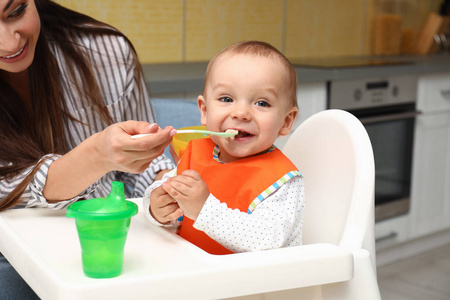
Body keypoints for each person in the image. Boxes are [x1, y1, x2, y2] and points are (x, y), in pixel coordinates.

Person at [0, 0, 175, 298]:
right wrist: (95, 155)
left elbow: (140, 176)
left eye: (16, 12)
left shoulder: (107, 54)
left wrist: (165, 186)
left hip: (118, 255)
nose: (9, 42)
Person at [143, 41, 305, 255]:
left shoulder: (283, 181)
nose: (241, 113)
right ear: (204, 110)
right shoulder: (196, 154)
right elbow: (162, 192)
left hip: (255, 284)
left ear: (286, 121)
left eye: (262, 103)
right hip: (200, 273)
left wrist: (203, 209)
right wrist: (156, 208)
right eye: (226, 99)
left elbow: (267, 240)